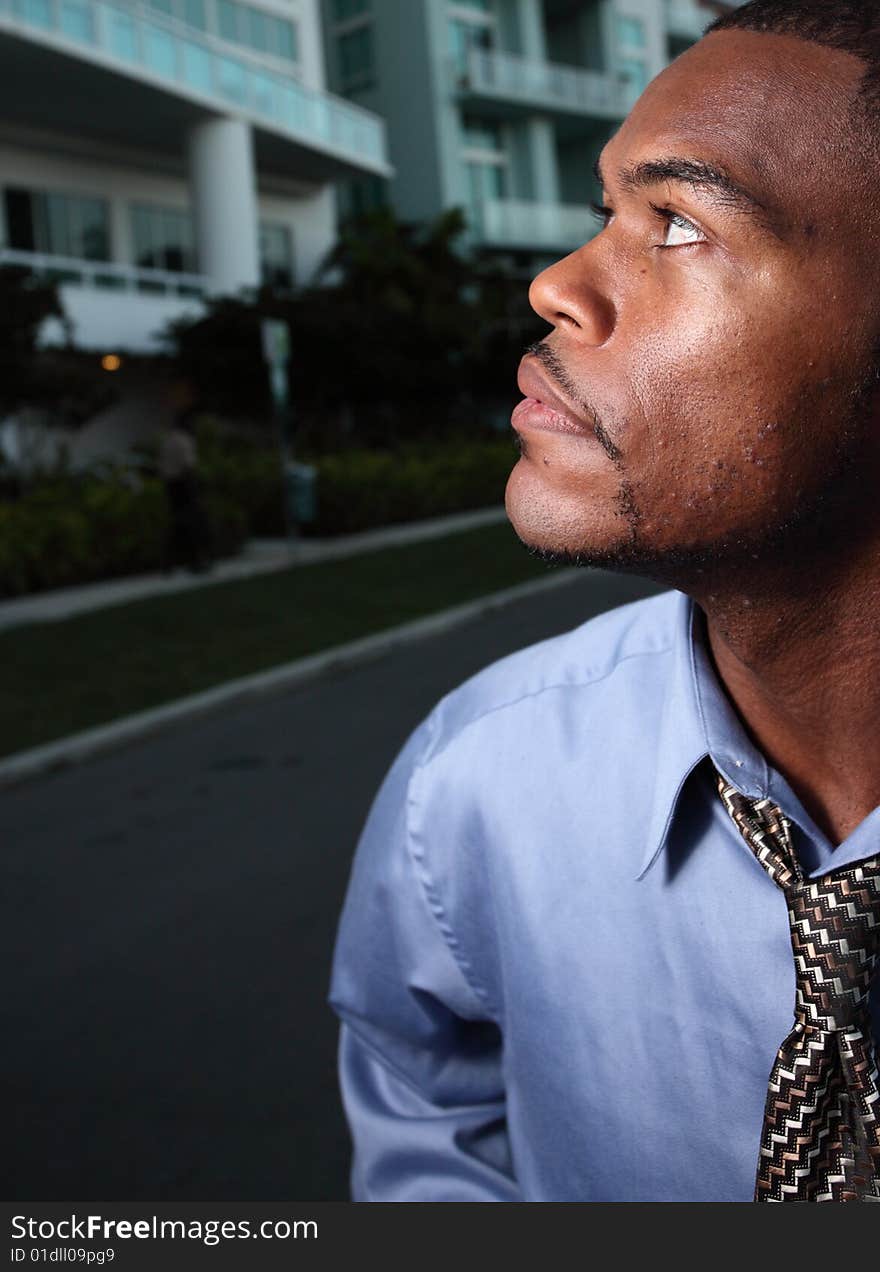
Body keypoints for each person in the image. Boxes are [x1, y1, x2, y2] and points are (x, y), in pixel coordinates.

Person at [328, 0, 880, 1203]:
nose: (554, 286)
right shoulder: (476, 781)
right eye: (606, 212)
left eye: (677, 222)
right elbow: (427, 1105)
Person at [158, 406, 211, 574]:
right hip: (184, 485)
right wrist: (196, 491)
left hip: (170, 485)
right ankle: (195, 562)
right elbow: (189, 467)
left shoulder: (168, 440)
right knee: (192, 524)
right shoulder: (184, 440)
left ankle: (169, 563)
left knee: (177, 524)